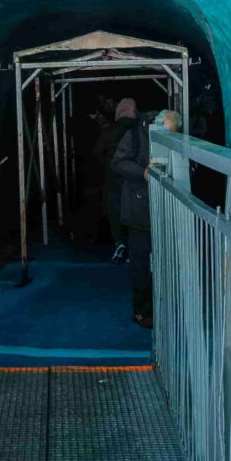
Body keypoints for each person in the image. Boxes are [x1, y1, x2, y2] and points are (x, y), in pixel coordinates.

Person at [103, 98, 161, 328]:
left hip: (153, 210)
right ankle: (142, 311)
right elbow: (117, 163)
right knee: (140, 263)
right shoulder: (136, 135)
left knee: (147, 262)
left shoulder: (131, 133)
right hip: (138, 209)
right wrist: (143, 173)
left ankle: (155, 307)